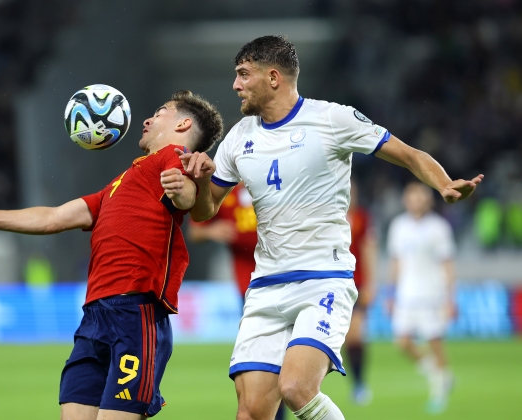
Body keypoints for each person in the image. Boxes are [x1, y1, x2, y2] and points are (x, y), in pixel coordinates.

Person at [177, 35, 483, 420]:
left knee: (296, 388)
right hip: (266, 286)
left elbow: (407, 154)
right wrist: (202, 182)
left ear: (273, 77)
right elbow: (205, 212)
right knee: (251, 411)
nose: (235, 85)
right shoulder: (239, 137)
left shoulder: (332, 118)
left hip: (323, 278)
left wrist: (442, 183)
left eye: (243, 74)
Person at [0, 90, 224, 420]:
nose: (148, 119)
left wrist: (184, 190)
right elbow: (54, 217)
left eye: (161, 112)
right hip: (95, 317)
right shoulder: (121, 182)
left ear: (183, 124)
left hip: (135, 313)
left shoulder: (173, 156)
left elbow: (188, 198)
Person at [187, 183, 288, 420]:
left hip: (284, 278)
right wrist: (213, 231)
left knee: (275, 358)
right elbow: (195, 231)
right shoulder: (226, 190)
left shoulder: (274, 181)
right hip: (250, 288)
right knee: (268, 359)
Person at [387, 182, 456, 414]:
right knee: (402, 342)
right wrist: (391, 293)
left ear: (428, 201)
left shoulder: (438, 227)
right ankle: (439, 375)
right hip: (406, 295)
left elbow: (447, 264)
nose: (415, 201)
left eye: (420, 197)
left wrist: (449, 298)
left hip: (431, 296)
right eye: (411, 197)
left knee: (435, 344)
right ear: (406, 200)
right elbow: (396, 263)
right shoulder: (398, 226)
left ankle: (439, 393)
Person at [344, 180, 376, 406]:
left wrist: (371, 284)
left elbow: (368, 250)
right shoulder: (326, 216)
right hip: (332, 286)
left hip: (357, 286)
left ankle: (359, 384)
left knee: (354, 335)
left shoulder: (361, 218)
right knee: (343, 338)